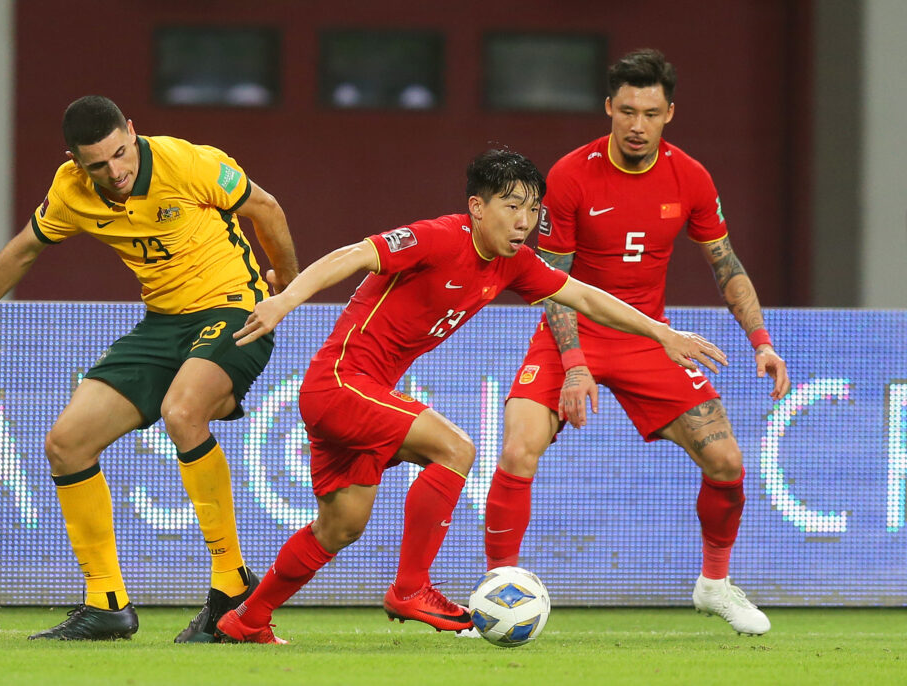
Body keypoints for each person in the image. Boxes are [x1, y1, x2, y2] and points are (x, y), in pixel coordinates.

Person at [210, 148, 727, 644]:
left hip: (362, 395)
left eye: (532, 209)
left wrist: (662, 333)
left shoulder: (515, 264)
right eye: (511, 206)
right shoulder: (438, 237)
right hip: (341, 384)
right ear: (477, 208)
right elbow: (353, 255)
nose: (524, 221)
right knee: (457, 449)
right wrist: (284, 302)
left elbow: (585, 296)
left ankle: (248, 619)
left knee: (341, 525)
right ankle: (410, 588)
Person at [0, 95, 299, 642]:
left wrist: (283, 290)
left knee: (183, 412)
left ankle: (232, 587)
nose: (115, 172)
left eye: (121, 154)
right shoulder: (70, 191)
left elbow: (266, 208)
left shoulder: (185, 163)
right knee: (66, 443)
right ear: (76, 162)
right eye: (98, 164)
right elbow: (21, 252)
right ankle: (106, 604)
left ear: (133, 132)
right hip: (162, 325)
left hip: (234, 308)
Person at [482, 49, 791, 636]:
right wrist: (574, 365)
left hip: (649, 337)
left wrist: (762, 341)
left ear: (669, 112)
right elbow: (552, 283)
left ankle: (715, 585)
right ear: (608, 108)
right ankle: (500, 592)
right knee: (518, 449)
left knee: (726, 462)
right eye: (626, 110)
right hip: (571, 331)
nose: (636, 125)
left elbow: (725, 263)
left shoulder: (691, 177)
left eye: (649, 112)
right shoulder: (571, 174)